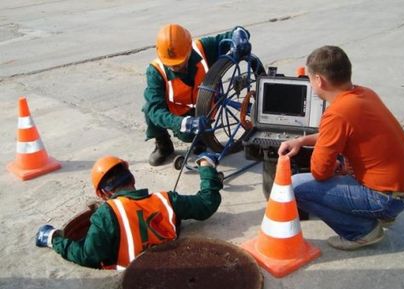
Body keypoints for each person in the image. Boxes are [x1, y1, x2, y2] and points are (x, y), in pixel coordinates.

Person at [278, 45, 404, 250]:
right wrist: (301, 141)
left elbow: (320, 172)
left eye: (309, 78)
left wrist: (333, 164)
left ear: (319, 80)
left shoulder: (336, 114)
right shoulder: (364, 94)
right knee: (345, 164)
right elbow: (338, 133)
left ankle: (361, 231)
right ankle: (385, 215)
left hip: (385, 198)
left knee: (295, 187)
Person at [35, 153, 222, 269]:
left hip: (133, 282)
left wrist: (54, 239)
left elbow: (88, 256)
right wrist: (207, 168)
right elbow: (207, 204)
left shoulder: (106, 214)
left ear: (102, 194)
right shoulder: (166, 200)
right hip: (176, 267)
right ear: (132, 179)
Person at [143, 23, 250, 166]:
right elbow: (155, 110)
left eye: (179, 62)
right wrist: (183, 123)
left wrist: (240, 35)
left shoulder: (202, 48)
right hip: (177, 114)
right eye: (171, 64)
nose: (175, 67)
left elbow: (233, 35)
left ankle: (201, 140)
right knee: (149, 109)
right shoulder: (155, 71)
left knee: (197, 136)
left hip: (205, 107)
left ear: (188, 49)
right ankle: (163, 145)